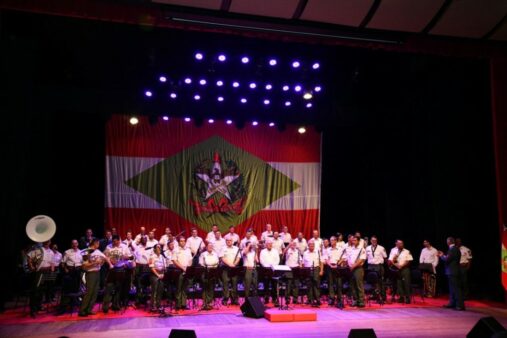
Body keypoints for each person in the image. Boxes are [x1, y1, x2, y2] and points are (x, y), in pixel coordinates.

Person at [79, 239, 111, 317]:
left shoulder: (98, 251)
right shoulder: (86, 251)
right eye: (98, 243)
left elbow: (105, 258)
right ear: (95, 243)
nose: (99, 245)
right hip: (90, 273)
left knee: (95, 292)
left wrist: (105, 263)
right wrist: (95, 263)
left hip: (97, 272)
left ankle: (89, 309)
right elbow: (84, 265)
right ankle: (83, 310)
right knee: (89, 292)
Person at [102, 235, 133, 313]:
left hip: (121, 269)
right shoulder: (108, 247)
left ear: (119, 240)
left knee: (118, 288)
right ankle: (105, 306)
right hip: (112, 270)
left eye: (117, 242)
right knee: (109, 287)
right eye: (113, 242)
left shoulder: (124, 246)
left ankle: (115, 305)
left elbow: (130, 257)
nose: (115, 244)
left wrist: (126, 258)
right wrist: (109, 261)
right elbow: (104, 256)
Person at [27, 240, 55, 318]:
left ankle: (39, 306)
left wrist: (52, 272)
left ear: (50, 242)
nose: (47, 242)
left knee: (42, 291)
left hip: (47, 272)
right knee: (35, 291)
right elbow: (29, 256)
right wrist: (31, 266)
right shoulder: (38, 250)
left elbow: (52, 263)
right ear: (43, 242)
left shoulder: (51, 252)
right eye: (45, 241)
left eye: (48, 241)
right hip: (39, 272)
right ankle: (33, 310)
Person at [57, 239, 83, 315]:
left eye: (76, 243)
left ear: (77, 244)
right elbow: (62, 263)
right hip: (70, 271)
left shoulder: (81, 252)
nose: (75, 245)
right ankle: (64, 307)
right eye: (73, 243)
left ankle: (74, 304)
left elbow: (82, 262)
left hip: (78, 271)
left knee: (76, 289)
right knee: (68, 290)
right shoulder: (67, 252)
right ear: (71, 245)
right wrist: (66, 270)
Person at [438, 237, 465, 311]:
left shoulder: (452, 249)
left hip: (453, 271)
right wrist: (444, 255)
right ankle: (452, 303)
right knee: (452, 289)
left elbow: (447, 260)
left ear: (449, 242)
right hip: (454, 271)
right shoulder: (456, 249)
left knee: (456, 289)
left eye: (447, 241)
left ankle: (460, 305)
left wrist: (441, 256)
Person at [388, 240, 413, 304]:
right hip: (398, 269)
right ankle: (401, 297)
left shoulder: (407, 251)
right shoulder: (395, 252)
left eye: (401, 243)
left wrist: (402, 266)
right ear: (397, 244)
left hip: (405, 269)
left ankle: (408, 298)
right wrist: (394, 261)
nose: (400, 245)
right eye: (399, 244)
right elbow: (391, 261)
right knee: (399, 284)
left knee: (406, 284)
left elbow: (409, 261)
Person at [172, 236, 193, 310]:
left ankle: (184, 304)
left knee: (185, 288)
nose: (183, 242)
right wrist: (182, 268)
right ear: (178, 242)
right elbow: (174, 260)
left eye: (184, 241)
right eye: (181, 241)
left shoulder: (188, 249)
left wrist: (188, 267)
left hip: (187, 270)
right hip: (179, 271)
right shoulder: (176, 249)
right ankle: (178, 305)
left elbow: (190, 260)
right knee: (178, 288)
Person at [365, 235, 387, 301]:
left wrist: (383, 267)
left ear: (377, 241)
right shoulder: (367, 248)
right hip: (370, 266)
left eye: (375, 240)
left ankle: (383, 297)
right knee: (372, 282)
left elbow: (385, 257)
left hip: (378, 266)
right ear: (371, 241)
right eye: (372, 240)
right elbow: (365, 258)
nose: (374, 241)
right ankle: (374, 295)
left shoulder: (381, 248)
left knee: (380, 282)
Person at [326, 236, 347, 307]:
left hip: (338, 267)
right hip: (330, 267)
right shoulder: (328, 249)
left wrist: (337, 264)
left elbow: (343, 258)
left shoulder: (340, 249)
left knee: (339, 283)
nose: (331, 242)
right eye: (330, 240)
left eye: (332, 240)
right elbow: (326, 259)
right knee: (330, 283)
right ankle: (331, 298)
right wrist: (330, 265)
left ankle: (339, 299)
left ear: (335, 241)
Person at [220, 238, 241, 305]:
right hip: (225, 268)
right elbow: (222, 258)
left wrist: (234, 264)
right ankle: (225, 299)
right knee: (225, 284)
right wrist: (229, 264)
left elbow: (238, 257)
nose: (229, 242)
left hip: (234, 268)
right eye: (227, 241)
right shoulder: (223, 248)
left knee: (234, 283)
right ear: (226, 242)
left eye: (230, 240)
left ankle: (234, 299)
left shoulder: (236, 248)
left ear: (232, 241)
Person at [259, 240, 280, 306]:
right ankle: (266, 299)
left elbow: (278, 260)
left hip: (273, 270)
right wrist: (267, 266)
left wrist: (273, 266)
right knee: (266, 285)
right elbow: (261, 260)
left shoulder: (275, 251)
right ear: (266, 245)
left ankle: (274, 299)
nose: (270, 245)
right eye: (268, 244)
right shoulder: (263, 251)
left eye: (271, 244)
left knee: (274, 285)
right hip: (266, 270)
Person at [303, 240, 323, 307]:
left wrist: (321, 270)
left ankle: (317, 299)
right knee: (309, 285)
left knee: (316, 285)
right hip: (308, 270)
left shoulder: (317, 252)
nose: (311, 246)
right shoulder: (305, 253)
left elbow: (321, 262)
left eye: (313, 245)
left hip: (316, 268)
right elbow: (303, 263)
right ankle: (310, 299)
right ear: (308, 246)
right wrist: (304, 271)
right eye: (310, 245)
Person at [199, 243, 220, 310]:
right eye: (209, 246)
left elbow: (217, 262)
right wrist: (210, 265)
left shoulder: (215, 254)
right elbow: (201, 263)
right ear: (206, 247)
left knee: (211, 287)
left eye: (211, 246)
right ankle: (205, 303)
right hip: (205, 271)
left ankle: (210, 302)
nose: (210, 247)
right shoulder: (203, 254)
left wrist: (210, 265)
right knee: (205, 288)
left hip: (213, 271)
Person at [347, 235, 366, 307]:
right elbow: (349, 258)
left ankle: (361, 301)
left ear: (358, 241)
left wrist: (353, 266)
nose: (353, 241)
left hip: (358, 269)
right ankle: (355, 300)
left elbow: (361, 260)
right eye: (353, 240)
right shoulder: (351, 249)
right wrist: (349, 265)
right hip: (351, 269)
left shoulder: (361, 249)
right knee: (353, 285)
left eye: (355, 240)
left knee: (359, 285)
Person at [148, 244, 168, 312]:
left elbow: (165, 267)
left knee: (160, 290)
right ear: (154, 249)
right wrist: (157, 275)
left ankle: (158, 304)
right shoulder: (152, 257)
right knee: (155, 291)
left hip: (161, 274)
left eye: (160, 247)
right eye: (158, 247)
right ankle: (152, 306)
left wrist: (163, 274)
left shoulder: (162, 257)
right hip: (154, 275)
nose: (159, 249)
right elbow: (151, 268)